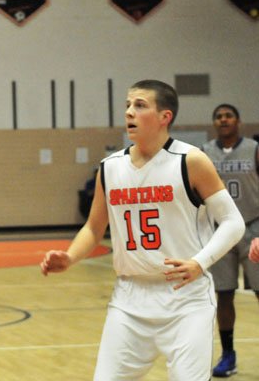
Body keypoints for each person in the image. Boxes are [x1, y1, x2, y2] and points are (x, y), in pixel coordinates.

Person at [40, 80, 245, 380]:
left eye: (140, 105)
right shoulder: (109, 168)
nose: (129, 113)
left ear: (165, 117)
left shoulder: (191, 161)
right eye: (127, 105)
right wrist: (70, 257)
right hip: (130, 298)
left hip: (185, 299)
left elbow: (233, 221)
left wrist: (201, 262)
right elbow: (94, 228)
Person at [201, 104, 259, 378]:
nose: (223, 120)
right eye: (218, 117)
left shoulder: (254, 148)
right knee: (223, 294)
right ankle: (228, 355)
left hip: (253, 227)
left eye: (228, 116)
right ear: (214, 123)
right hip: (220, 229)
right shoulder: (204, 153)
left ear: (238, 120)